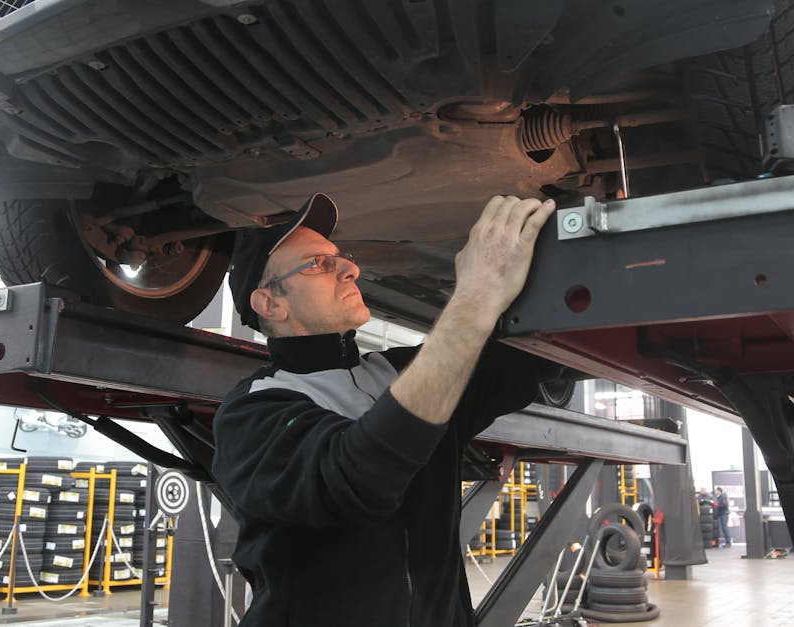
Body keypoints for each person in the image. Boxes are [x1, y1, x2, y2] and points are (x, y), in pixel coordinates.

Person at [210, 192, 560, 626]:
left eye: (342, 258)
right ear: (271, 304)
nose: (350, 269)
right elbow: (358, 478)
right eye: (319, 263)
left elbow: (536, 356)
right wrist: (475, 297)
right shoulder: (253, 412)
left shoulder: (398, 372)